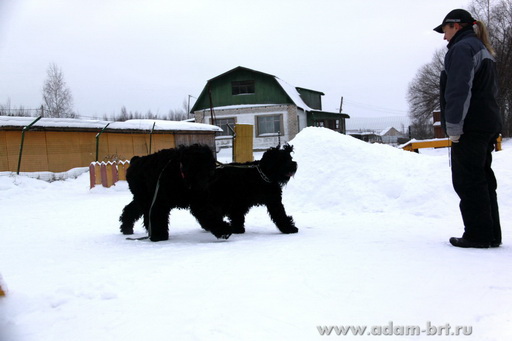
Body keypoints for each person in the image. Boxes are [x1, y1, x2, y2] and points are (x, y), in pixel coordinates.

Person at [434, 9, 503, 248]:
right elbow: (491, 94)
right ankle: (491, 233)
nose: (444, 37)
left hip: (469, 126)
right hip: (485, 124)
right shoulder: (481, 49)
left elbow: (458, 90)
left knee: (468, 180)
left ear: (455, 26)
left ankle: (478, 235)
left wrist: (454, 127)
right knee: (483, 178)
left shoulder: (462, 49)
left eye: (444, 30)